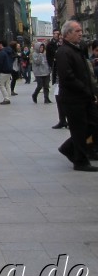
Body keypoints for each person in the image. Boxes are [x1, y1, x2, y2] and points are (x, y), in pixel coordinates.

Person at [55, 20, 98, 172]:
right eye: (77, 31)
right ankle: (80, 161)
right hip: (74, 98)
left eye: (80, 30)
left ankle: (68, 147)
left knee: (93, 124)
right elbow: (67, 77)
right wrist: (84, 89)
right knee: (79, 129)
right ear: (67, 34)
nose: (81, 33)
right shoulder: (63, 52)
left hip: (85, 96)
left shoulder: (76, 49)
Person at [0, 40, 14, 105]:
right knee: (7, 84)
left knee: (1, 84)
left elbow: (0, 63)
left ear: (1, 44)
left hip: (3, 71)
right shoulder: (9, 51)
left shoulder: (2, 52)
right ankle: (8, 96)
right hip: (9, 70)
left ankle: (6, 98)